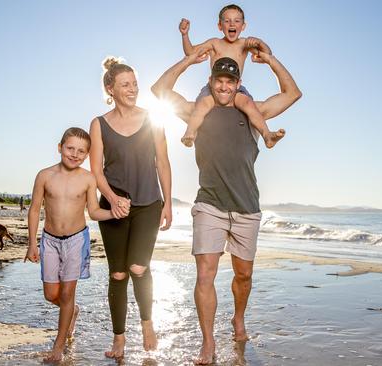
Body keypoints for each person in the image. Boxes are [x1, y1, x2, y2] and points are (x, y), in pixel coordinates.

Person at [152, 49, 301, 364]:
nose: (223, 87)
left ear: (238, 84)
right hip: (210, 204)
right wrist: (188, 60)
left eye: (230, 82)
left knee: (243, 274)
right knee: (205, 274)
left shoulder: (253, 111)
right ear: (211, 81)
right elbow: (160, 91)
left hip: (247, 206)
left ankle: (238, 317)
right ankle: (208, 343)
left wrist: (272, 60)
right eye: (218, 81)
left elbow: (293, 93)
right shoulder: (197, 110)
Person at [89, 57, 173, 360]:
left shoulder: (153, 118)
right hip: (114, 207)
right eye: (126, 85)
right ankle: (119, 339)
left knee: (139, 267)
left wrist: (168, 203)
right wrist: (111, 198)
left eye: (135, 84)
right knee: (119, 274)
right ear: (110, 88)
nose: (133, 89)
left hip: (149, 202)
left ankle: (148, 324)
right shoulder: (98, 124)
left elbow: (162, 162)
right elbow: (96, 170)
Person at [24, 127, 121, 363]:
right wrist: (31, 244)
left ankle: (58, 346)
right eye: (70, 148)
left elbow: (94, 211)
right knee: (51, 294)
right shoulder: (44, 176)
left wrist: (113, 213)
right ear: (60, 147)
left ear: (87, 154)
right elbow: (35, 209)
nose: (74, 154)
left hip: (77, 240)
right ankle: (71, 311)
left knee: (68, 293)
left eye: (81, 151)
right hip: (50, 240)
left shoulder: (88, 179)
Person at [178, 4, 281, 149]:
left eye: (237, 21)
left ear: (243, 26)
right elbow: (191, 52)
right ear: (220, 26)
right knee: (202, 105)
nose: (232, 24)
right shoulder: (215, 43)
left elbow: (267, 54)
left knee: (248, 104)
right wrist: (184, 35)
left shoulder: (244, 43)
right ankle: (190, 132)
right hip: (215, 87)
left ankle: (267, 135)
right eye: (227, 21)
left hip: (235, 88)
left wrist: (259, 42)